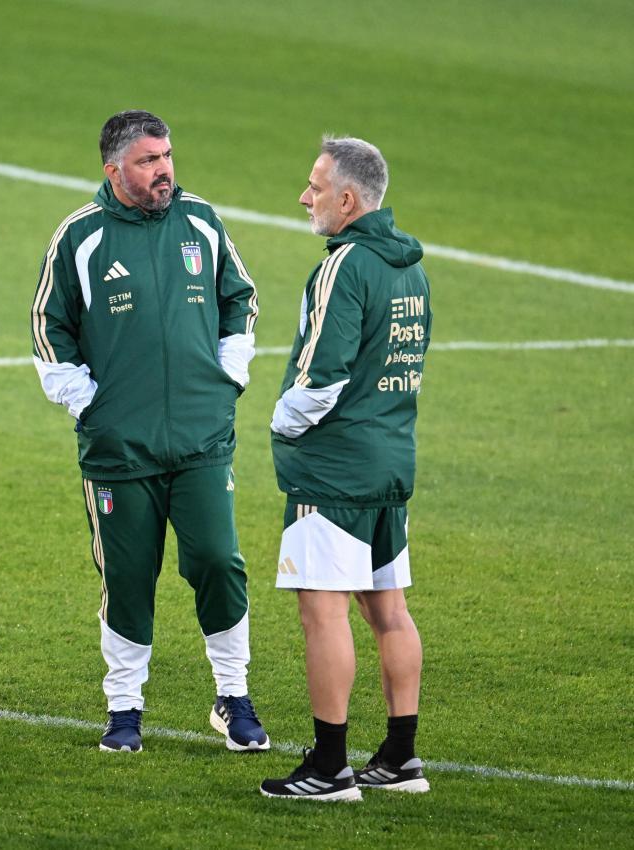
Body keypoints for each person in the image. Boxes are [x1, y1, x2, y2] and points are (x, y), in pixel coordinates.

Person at [31, 110, 267, 753]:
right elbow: (48, 328)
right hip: (120, 450)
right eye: (148, 160)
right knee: (129, 579)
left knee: (220, 562)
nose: (164, 169)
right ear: (114, 170)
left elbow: (239, 298)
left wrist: (227, 378)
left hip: (201, 439)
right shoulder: (79, 237)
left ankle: (233, 696)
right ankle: (125, 708)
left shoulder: (201, 221)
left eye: (166, 156)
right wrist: (90, 405)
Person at [259, 136, 432, 802]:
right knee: (389, 610)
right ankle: (399, 758)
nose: (306, 198)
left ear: (348, 199)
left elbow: (321, 377)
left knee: (322, 612)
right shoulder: (410, 266)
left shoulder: (345, 265)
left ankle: (330, 767)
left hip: (333, 470)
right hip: (390, 459)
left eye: (315, 187)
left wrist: (280, 423)